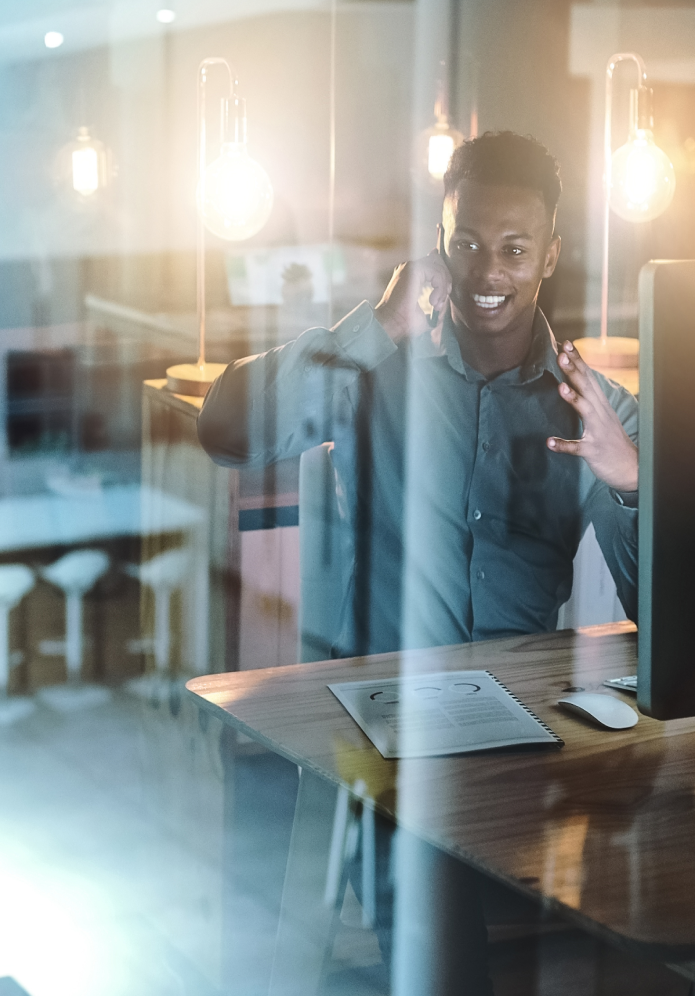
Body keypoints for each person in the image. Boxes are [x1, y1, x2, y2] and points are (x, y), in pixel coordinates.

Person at [196, 130, 640, 656]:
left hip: (525, 707)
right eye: (467, 244)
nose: (488, 270)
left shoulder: (601, 411)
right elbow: (225, 434)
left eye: (515, 250)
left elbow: (666, 616)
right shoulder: (371, 367)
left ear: (549, 257)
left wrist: (633, 481)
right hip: (377, 699)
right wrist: (380, 325)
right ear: (439, 244)